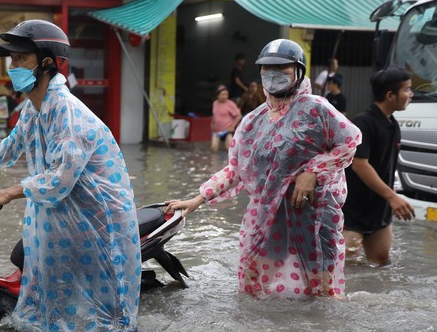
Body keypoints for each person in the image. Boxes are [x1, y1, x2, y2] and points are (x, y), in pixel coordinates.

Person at [0, 20, 141, 332]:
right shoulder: (34, 107)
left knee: (105, 311)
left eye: (20, 59)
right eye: (11, 60)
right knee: (56, 290)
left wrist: (9, 193)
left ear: (47, 63)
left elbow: (60, 178)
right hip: (60, 213)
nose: (12, 67)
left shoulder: (67, 111)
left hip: (96, 217)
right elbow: (15, 141)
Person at [166, 39, 361, 298]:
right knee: (253, 287)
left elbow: (349, 142)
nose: (273, 74)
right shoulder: (252, 121)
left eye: (282, 69)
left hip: (314, 214)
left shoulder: (317, 109)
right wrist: (198, 199)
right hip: (268, 216)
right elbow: (236, 170)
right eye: (266, 68)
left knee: (322, 293)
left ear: (299, 71)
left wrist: (312, 171)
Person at [342, 68, 415, 266]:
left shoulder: (392, 124)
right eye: (407, 90)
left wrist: (390, 199)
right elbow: (359, 165)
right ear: (390, 95)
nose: (411, 94)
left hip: (380, 208)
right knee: (346, 265)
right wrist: (392, 197)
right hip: (354, 210)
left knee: (380, 262)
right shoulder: (363, 123)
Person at [211, 84, 241, 153]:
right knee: (213, 149)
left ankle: (229, 163)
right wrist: (212, 124)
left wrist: (232, 126)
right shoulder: (215, 103)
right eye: (222, 94)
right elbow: (214, 115)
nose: (224, 96)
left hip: (228, 131)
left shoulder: (230, 104)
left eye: (226, 94)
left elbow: (238, 115)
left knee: (229, 149)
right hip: (217, 131)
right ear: (217, 95)